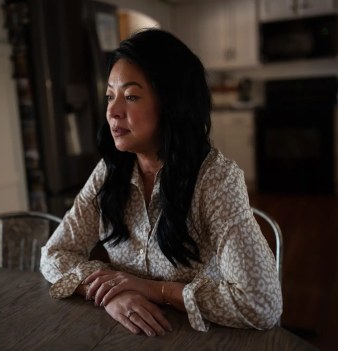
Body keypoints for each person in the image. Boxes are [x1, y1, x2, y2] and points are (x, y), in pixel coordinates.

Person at [40, 28, 282, 337]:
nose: (113, 112)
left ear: (171, 103)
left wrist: (156, 290)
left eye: (130, 96)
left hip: (201, 337)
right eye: (110, 96)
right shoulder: (110, 170)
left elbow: (261, 305)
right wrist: (113, 292)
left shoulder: (215, 179)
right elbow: (54, 254)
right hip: (123, 334)